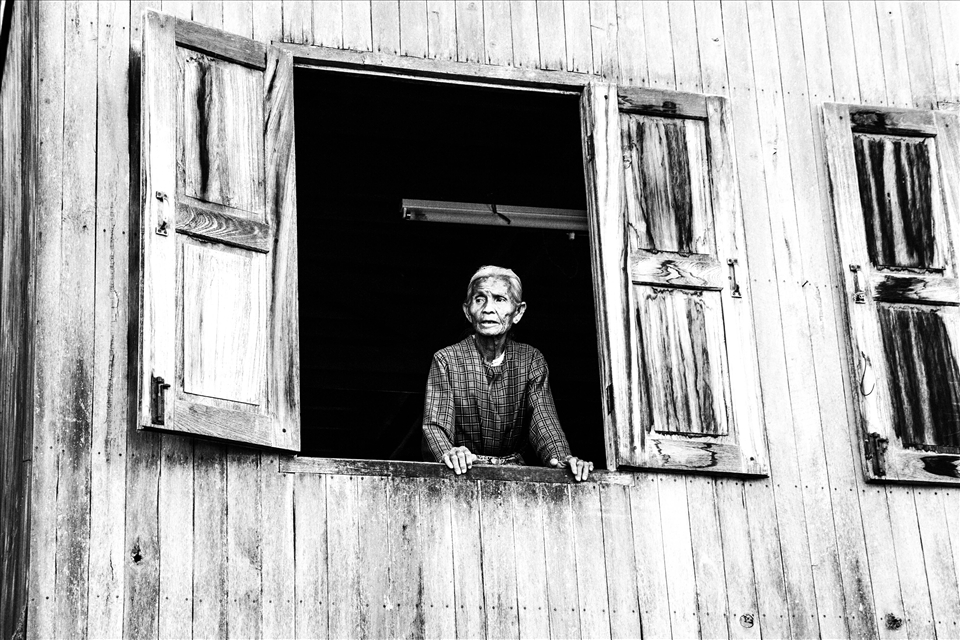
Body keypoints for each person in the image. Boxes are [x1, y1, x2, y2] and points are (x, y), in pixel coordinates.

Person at [421, 265, 594, 481]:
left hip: (515, 476)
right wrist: (448, 453)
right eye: (479, 299)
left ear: (518, 312)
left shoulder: (531, 360)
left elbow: (544, 420)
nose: (488, 309)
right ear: (467, 311)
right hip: (463, 472)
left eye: (500, 299)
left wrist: (562, 458)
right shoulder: (446, 359)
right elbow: (435, 426)